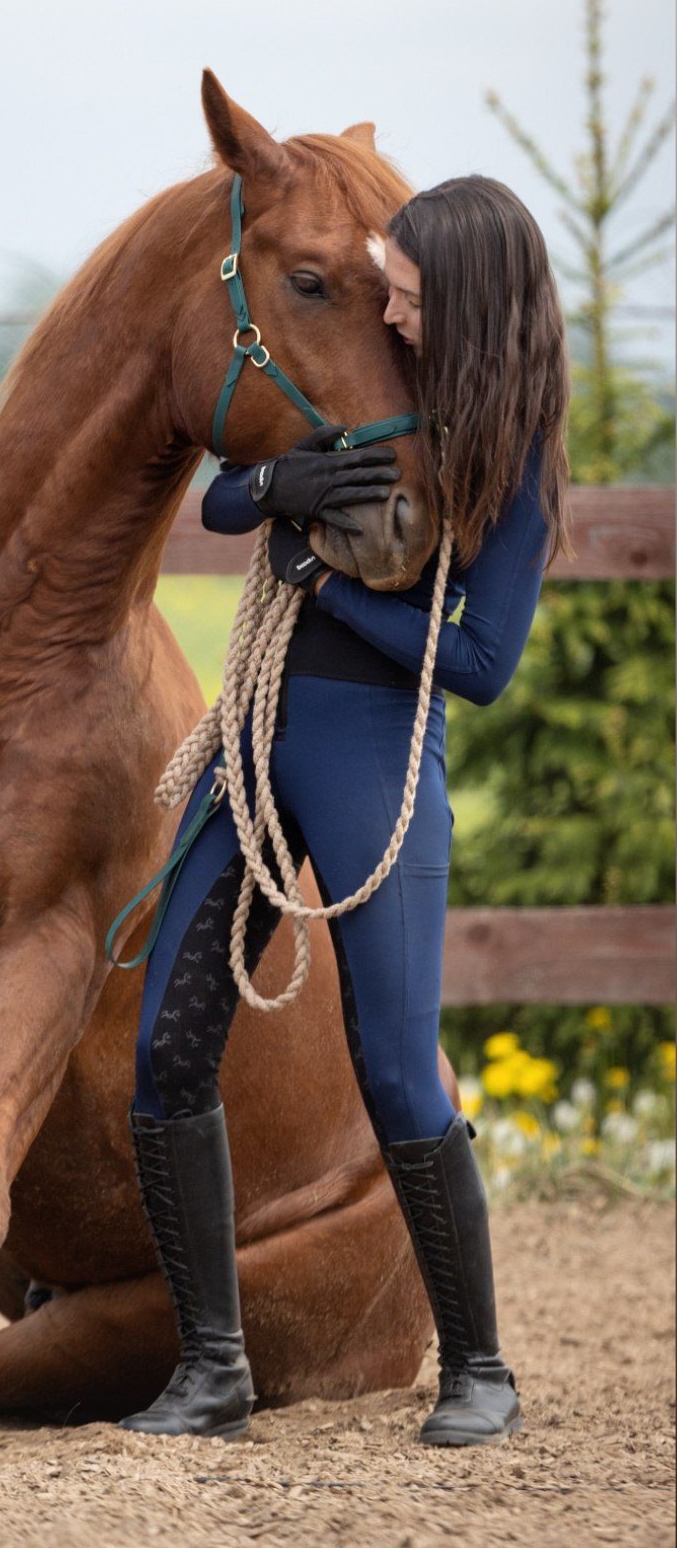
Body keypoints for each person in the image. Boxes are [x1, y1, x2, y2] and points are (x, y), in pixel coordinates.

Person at [118, 174, 571, 1448]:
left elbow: (481, 664)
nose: (394, 314)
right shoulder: (363, 386)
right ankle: (212, 1369)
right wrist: (285, 490)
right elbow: (223, 498)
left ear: (469, 303)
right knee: (167, 1049)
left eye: (411, 296)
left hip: (377, 755)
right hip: (256, 741)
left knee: (394, 1068)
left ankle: (479, 1369)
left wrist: (325, 586)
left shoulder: (517, 456)